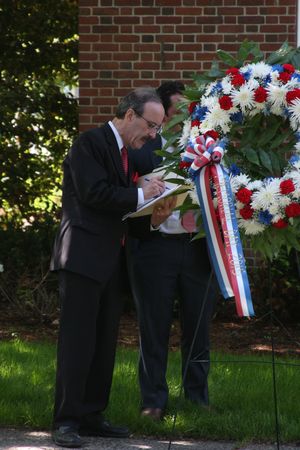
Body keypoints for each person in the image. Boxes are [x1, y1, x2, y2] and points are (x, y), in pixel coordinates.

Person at [50, 87, 175, 448]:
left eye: (157, 129)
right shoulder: (88, 143)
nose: (153, 136)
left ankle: (91, 416)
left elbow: (123, 213)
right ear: (129, 115)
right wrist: (143, 195)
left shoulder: (128, 156)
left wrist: (154, 217)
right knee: (77, 342)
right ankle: (66, 421)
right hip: (82, 258)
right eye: (150, 126)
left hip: (112, 260)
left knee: (104, 343)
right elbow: (94, 194)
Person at [128, 81, 216, 421]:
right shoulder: (142, 150)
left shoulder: (209, 150)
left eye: (188, 109)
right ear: (163, 115)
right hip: (155, 247)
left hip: (197, 249)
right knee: (154, 325)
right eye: (176, 109)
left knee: (199, 327)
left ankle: (197, 397)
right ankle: (153, 400)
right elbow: (129, 193)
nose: (183, 115)